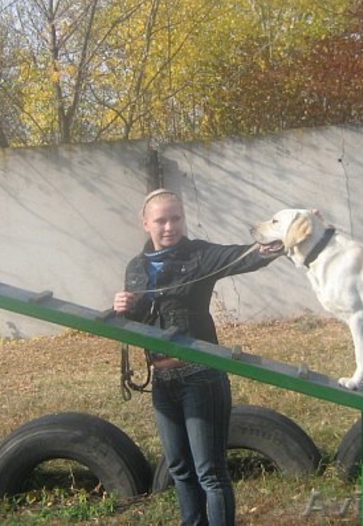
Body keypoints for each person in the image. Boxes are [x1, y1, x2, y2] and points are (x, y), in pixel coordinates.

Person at [112, 188, 280, 526]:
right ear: (146, 223)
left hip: (201, 377)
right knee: (179, 468)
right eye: (161, 220)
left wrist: (282, 240)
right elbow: (138, 321)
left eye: (176, 218)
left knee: (209, 473)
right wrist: (121, 308)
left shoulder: (200, 255)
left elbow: (244, 256)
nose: (170, 226)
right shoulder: (136, 267)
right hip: (163, 381)